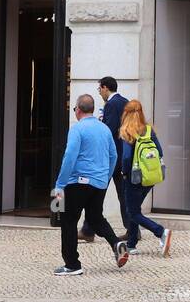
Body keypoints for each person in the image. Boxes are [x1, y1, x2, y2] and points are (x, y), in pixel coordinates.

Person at [54, 94, 130, 276]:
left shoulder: (77, 129)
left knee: (69, 220)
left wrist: (59, 183)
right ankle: (115, 242)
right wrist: (105, 177)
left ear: (78, 110)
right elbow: (113, 156)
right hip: (99, 183)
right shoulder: (104, 129)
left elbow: (70, 156)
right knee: (95, 218)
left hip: (77, 181)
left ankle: (72, 264)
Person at [118, 99, 173, 257]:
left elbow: (127, 157)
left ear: (126, 114)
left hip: (133, 178)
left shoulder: (126, 131)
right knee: (135, 209)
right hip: (150, 177)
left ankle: (161, 232)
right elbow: (160, 152)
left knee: (132, 212)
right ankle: (131, 244)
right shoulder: (149, 130)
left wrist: (124, 172)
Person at [77, 76, 129, 244]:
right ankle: (131, 229)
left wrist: (101, 122)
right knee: (123, 194)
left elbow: (109, 130)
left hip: (111, 156)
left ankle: (88, 230)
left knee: (95, 192)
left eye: (100, 89)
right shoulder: (124, 101)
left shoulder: (112, 104)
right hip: (123, 154)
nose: (99, 93)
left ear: (106, 88)